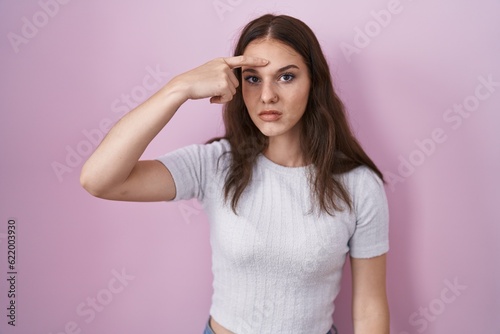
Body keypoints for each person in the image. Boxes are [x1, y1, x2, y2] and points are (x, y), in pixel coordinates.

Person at [80, 14, 390, 334]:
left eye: (286, 77)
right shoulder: (216, 164)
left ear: (314, 82)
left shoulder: (359, 185)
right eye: (253, 78)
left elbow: (370, 308)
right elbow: (99, 179)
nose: (267, 95)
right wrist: (178, 89)